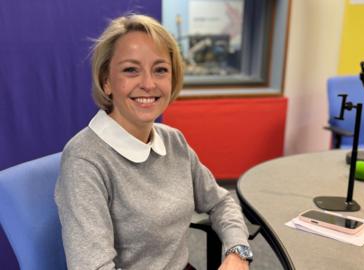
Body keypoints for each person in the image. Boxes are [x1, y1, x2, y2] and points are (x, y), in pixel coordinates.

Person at [55, 14, 253, 270]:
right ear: (107, 81)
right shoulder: (84, 159)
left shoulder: (174, 141)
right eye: (131, 70)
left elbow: (220, 202)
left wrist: (237, 252)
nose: (148, 84)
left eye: (160, 70)